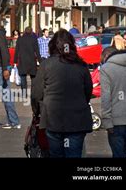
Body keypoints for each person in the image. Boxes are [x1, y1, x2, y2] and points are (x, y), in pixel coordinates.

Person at [32, 29, 93, 158]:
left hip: (53, 118)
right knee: (74, 154)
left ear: (53, 46)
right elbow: (88, 90)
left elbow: (36, 93)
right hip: (77, 119)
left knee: (55, 154)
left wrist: (37, 111)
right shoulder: (81, 65)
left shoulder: (46, 65)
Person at [100, 47, 126, 158]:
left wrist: (106, 120)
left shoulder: (106, 69)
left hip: (115, 120)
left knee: (118, 154)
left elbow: (106, 96)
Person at [14, 27, 41, 98]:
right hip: (32, 60)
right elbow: (37, 50)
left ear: (24, 31)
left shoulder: (20, 39)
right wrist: (40, 61)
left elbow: (17, 50)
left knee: (23, 77)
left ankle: (24, 93)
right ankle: (33, 93)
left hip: (22, 61)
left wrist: (15, 61)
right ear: (31, 32)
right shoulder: (34, 39)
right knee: (33, 78)